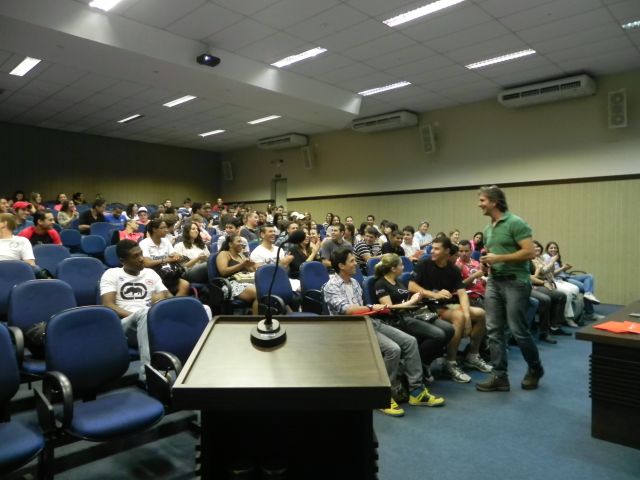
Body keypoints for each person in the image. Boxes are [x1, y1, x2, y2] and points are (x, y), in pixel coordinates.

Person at [323, 247, 445, 417]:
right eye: (352, 261)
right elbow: (348, 310)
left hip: (368, 321)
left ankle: (416, 392)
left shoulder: (355, 283)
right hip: (349, 329)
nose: (356, 263)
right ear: (341, 265)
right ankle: (384, 395)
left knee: (410, 342)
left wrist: (372, 310)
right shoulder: (330, 286)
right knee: (393, 349)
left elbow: (362, 309)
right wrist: (372, 307)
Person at [475, 185, 543, 392]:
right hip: (494, 282)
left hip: (516, 282)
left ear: (494, 202)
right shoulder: (488, 229)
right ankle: (500, 376)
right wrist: (486, 263)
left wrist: (499, 258)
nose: (479, 204)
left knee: (518, 330)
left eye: (482, 200)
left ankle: (535, 368)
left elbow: (529, 253)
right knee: (494, 331)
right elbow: (492, 254)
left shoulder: (516, 223)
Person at [100, 240, 195, 380]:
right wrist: (141, 316)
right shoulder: (111, 274)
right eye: (135, 256)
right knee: (145, 313)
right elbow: (108, 305)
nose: (141, 259)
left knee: (201, 308)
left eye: (141, 254)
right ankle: (148, 375)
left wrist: (169, 304)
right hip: (126, 325)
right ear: (122, 260)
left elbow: (169, 298)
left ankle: (195, 360)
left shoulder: (150, 273)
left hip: (151, 320)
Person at [408, 237, 492, 384]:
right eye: (432, 248)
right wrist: (433, 294)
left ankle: (472, 355)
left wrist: (468, 317)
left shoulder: (453, 269)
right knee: (459, 317)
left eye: (437, 248)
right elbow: (411, 286)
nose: (432, 251)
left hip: (445, 305)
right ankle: (450, 363)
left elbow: (462, 293)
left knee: (480, 314)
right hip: (426, 306)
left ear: (447, 251)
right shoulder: (424, 264)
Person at [374, 253, 455, 384]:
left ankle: (424, 363)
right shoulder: (380, 284)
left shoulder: (398, 281)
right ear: (393, 268)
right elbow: (389, 309)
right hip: (398, 319)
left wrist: (418, 298)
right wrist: (411, 301)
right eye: (401, 265)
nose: (403, 267)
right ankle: (419, 364)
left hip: (412, 313)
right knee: (439, 335)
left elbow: (406, 300)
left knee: (449, 329)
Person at [544, 241, 603, 323]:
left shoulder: (556, 257)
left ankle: (588, 295)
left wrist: (565, 268)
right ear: (547, 249)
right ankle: (590, 313)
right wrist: (562, 268)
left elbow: (559, 271)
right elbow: (550, 273)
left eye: (555, 248)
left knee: (589, 276)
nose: (553, 249)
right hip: (561, 279)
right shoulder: (546, 257)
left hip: (566, 275)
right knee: (585, 289)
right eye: (551, 248)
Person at [139, 219, 190, 296]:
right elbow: (147, 263)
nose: (166, 230)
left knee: (185, 284)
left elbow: (173, 254)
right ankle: (171, 301)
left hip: (169, 273)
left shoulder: (166, 241)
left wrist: (177, 256)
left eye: (166, 227)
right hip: (154, 275)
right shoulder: (144, 243)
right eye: (163, 228)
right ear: (154, 229)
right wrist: (166, 260)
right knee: (165, 291)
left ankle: (176, 301)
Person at [530, 240, 569, 343]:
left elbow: (550, 272)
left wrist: (553, 264)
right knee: (548, 299)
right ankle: (545, 331)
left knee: (561, 296)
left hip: (544, 282)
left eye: (538, 246)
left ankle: (554, 326)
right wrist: (552, 261)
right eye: (534, 247)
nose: (537, 248)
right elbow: (538, 274)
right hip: (536, 285)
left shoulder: (540, 258)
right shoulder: (530, 260)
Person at [216, 233, 258, 313]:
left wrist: (251, 266)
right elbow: (223, 272)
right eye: (239, 241)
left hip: (247, 281)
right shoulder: (224, 254)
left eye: (241, 241)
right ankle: (256, 319)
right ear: (230, 244)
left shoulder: (241, 255)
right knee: (258, 293)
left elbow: (252, 271)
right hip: (232, 283)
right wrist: (242, 264)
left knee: (266, 290)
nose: (241, 243)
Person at [173, 219, 209, 283]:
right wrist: (197, 259)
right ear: (187, 232)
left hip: (203, 270)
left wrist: (205, 258)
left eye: (197, 229)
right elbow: (182, 268)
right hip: (188, 272)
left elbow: (208, 259)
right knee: (208, 266)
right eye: (193, 229)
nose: (196, 231)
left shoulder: (202, 245)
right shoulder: (179, 246)